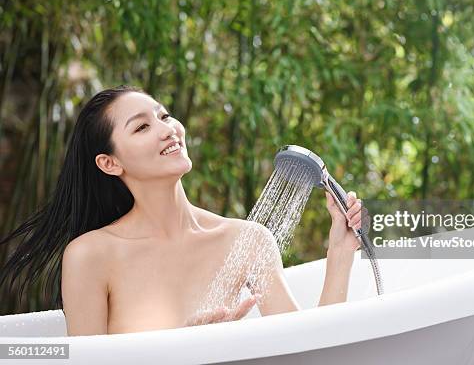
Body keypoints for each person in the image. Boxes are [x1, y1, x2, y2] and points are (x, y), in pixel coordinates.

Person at [0, 85, 365, 335]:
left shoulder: (248, 241)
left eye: (164, 115)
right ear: (110, 163)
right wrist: (186, 347)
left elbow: (309, 349)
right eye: (142, 127)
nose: (168, 129)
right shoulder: (91, 256)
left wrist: (340, 254)